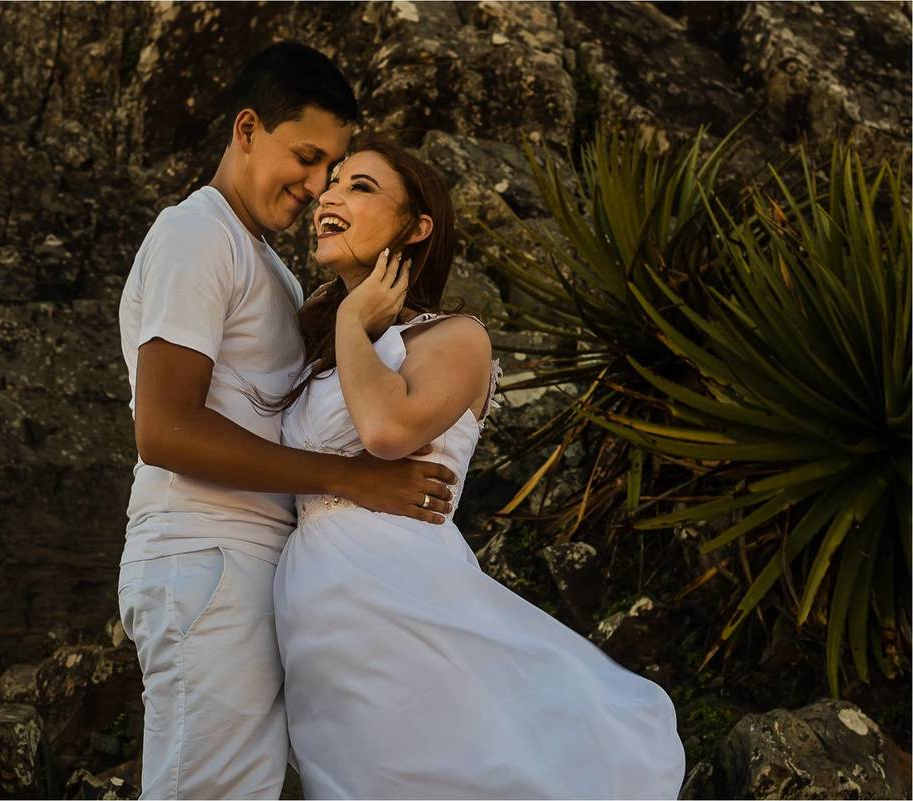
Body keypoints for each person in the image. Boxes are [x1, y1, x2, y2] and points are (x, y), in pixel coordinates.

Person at [273, 139, 687, 799]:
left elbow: (384, 430)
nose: (328, 196)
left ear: (416, 228)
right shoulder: (313, 348)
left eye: (359, 186)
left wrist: (353, 317)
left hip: (398, 595)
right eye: (331, 183)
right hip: (314, 609)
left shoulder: (454, 337)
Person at [116, 44, 458, 799]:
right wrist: (353, 478)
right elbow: (164, 429)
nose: (315, 186)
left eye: (333, 171)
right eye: (306, 158)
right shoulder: (194, 233)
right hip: (204, 552)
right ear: (246, 132)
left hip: (251, 568)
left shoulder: (270, 267)